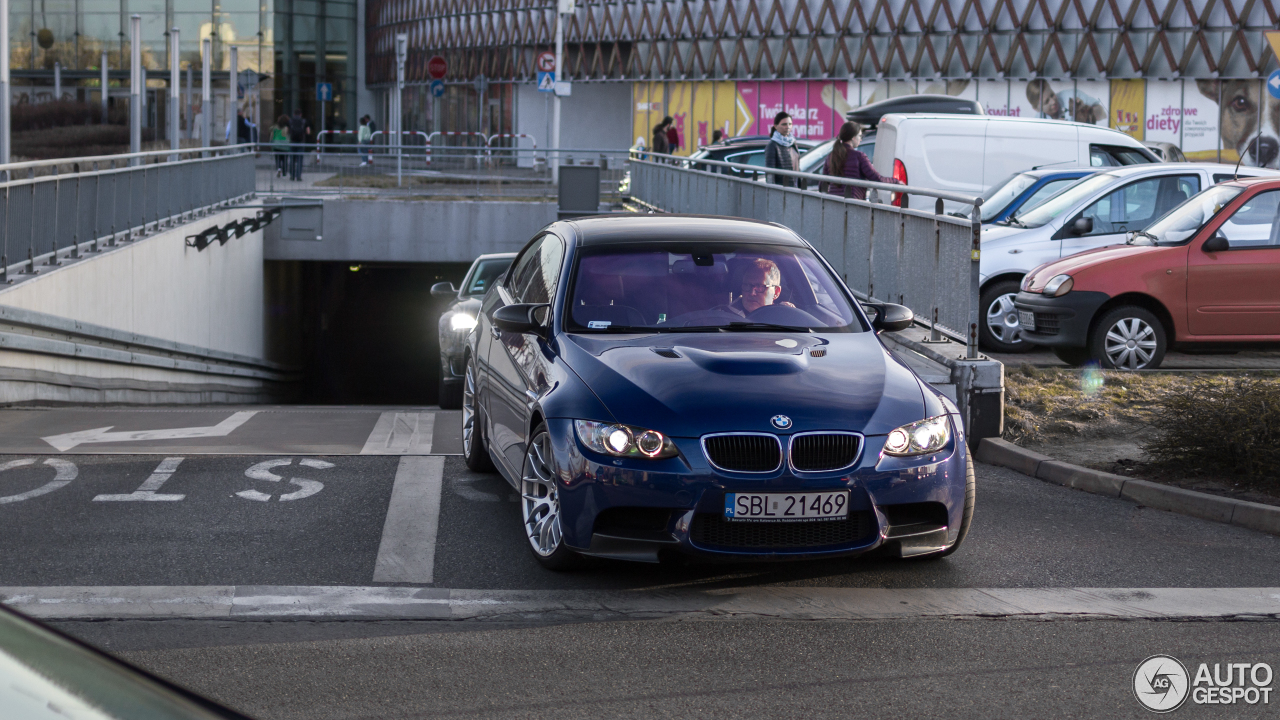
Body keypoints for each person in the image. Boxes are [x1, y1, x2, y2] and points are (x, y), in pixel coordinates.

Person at [822, 121, 900, 200]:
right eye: (859, 136)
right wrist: (896, 181)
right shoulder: (859, 157)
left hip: (833, 203)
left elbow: (822, 184)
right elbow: (877, 178)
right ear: (853, 138)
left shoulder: (831, 156)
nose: (861, 139)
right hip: (853, 204)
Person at [721, 258, 795, 318]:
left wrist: (787, 313)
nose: (752, 293)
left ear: (776, 292)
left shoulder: (785, 319)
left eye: (760, 287)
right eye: (747, 285)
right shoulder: (723, 318)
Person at [763, 111, 799, 187]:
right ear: (776, 126)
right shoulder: (772, 145)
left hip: (795, 190)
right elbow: (770, 173)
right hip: (780, 191)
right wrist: (772, 191)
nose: (788, 127)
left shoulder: (793, 143)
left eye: (790, 124)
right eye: (784, 124)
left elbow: (798, 169)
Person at [287, 109, 310, 181]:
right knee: (300, 159)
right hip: (301, 142)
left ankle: (292, 176)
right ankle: (298, 176)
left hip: (293, 142)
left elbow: (287, 131)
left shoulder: (290, 121)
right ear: (301, 114)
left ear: (294, 114)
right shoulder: (304, 121)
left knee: (292, 159)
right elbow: (308, 132)